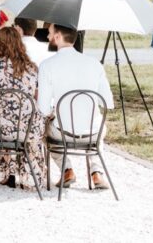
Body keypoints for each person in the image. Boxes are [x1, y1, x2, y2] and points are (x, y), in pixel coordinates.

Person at [37, 23, 114, 189]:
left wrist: (54, 110)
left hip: (62, 134)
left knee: (43, 131)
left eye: (49, 34)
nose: (48, 37)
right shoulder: (95, 64)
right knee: (99, 124)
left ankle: (67, 169)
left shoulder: (47, 65)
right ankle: (96, 172)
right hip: (93, 134)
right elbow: (108, 103)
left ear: (57, 37)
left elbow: (43, 109)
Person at [0, 27, 46, 189]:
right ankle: (26, 174)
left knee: (0, 116)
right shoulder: (31, 67)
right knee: (23, 120)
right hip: (26, 127)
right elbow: (35, 92)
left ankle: (8, 172)